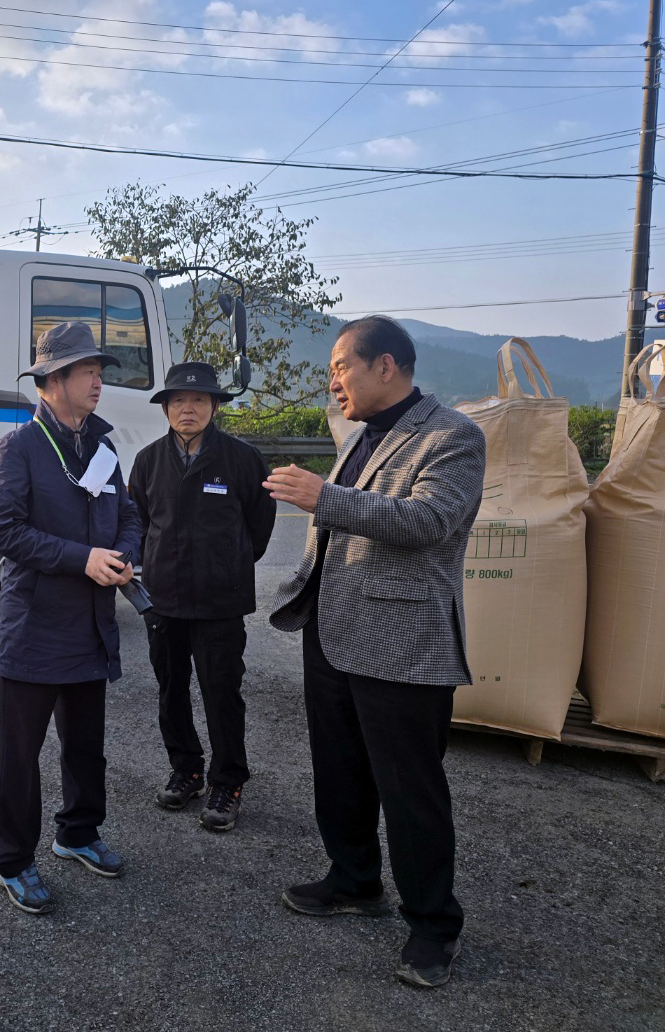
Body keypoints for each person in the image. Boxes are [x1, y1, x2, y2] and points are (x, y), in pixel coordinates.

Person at [264, 314, 486, 989]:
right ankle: (355, 879)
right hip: (333, 629)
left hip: (402, 643)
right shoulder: (361, 434)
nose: (333, 379)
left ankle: (432, 926)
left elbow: (427, 523)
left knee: (410, 789)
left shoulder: (453, 436)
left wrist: (322, 496)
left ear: (385, 366)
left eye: (341, 366)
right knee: (340, 772)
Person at [0, 321, 142, 915]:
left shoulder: (103, 447)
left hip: (91, 621)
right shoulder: (18, 448)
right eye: (87, 372)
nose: (99, 381)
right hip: (36, 624)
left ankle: (77, 833)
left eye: (99, 371)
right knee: (20, 753)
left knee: (86, 744)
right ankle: (14, 860)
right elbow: (6, 530)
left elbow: (128, 515)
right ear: (52, 382)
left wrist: (127, 554)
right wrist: (84, 558)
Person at [128, 362, 276, 832]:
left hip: (220, 601)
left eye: (197, 400)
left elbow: (260, 524)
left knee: (222, 693)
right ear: (167, 409)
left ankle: (227, 781)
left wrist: (228, 564)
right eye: (177, 401)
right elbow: (139, 521)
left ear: (214, 406)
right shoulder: (149, 460)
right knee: (171, 690)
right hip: (163, 598)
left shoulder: (242, 459)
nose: (186, 408)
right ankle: (187, 769)